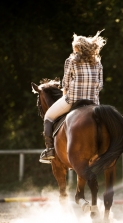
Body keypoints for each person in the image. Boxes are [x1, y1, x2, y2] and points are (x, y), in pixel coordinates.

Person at [40, 31, 106, 163]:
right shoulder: (98, 62)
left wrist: (65, 98)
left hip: (73, 99)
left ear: (76, 48)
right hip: (93, 103)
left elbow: (65, 84)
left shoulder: (71, 60)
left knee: (48, 117)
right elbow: (100, 86)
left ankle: (50, 150)